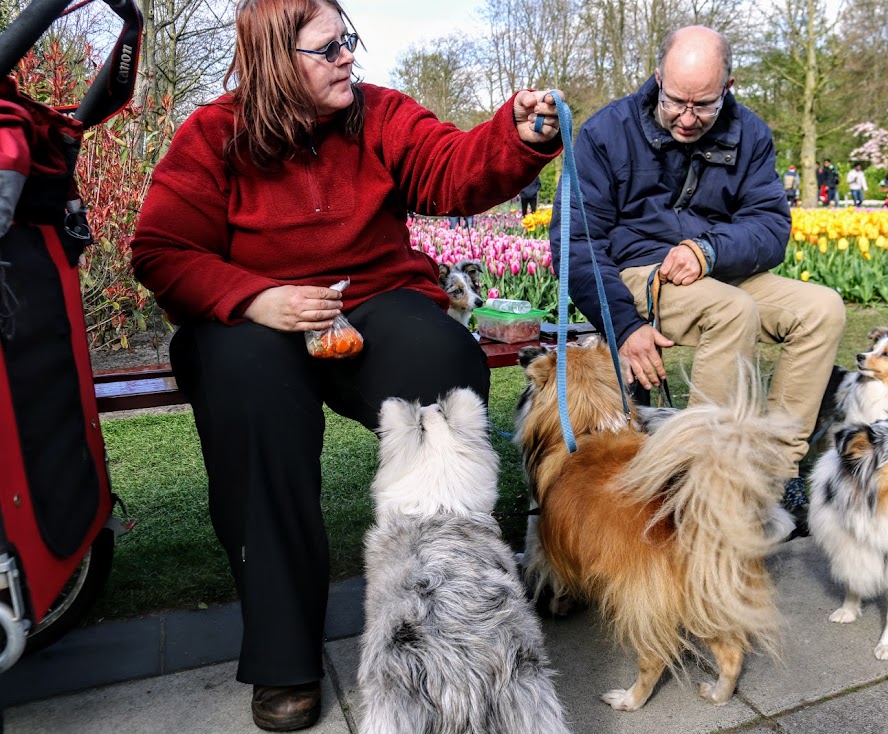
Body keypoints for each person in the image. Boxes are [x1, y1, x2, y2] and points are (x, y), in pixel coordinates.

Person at [129, 0, 562, 730]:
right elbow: (161, 251)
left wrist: (513, 139)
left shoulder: (379, 115)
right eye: (329, 49)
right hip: (257, 324)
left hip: (371, 302)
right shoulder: (211, 136)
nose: (348, 59)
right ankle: (283, 660)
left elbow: (452, 168)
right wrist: (256, 298)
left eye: (348, 42)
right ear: (276, 61)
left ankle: (453, 615)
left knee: (445, 362)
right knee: (249, 395)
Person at [551, 25, 845, 536]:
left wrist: (708, 251)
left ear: (728, 86)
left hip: (721, 268)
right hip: (639, 270)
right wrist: (623, 326)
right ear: (659, 76)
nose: (687, 118)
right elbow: (575, 240)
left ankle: (768, 481)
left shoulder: (750, 133)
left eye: (704, 105)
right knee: (733, 312)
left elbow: (772, 227)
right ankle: (695, 488)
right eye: (676, 102)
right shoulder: (605, 133)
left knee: (822, 310)